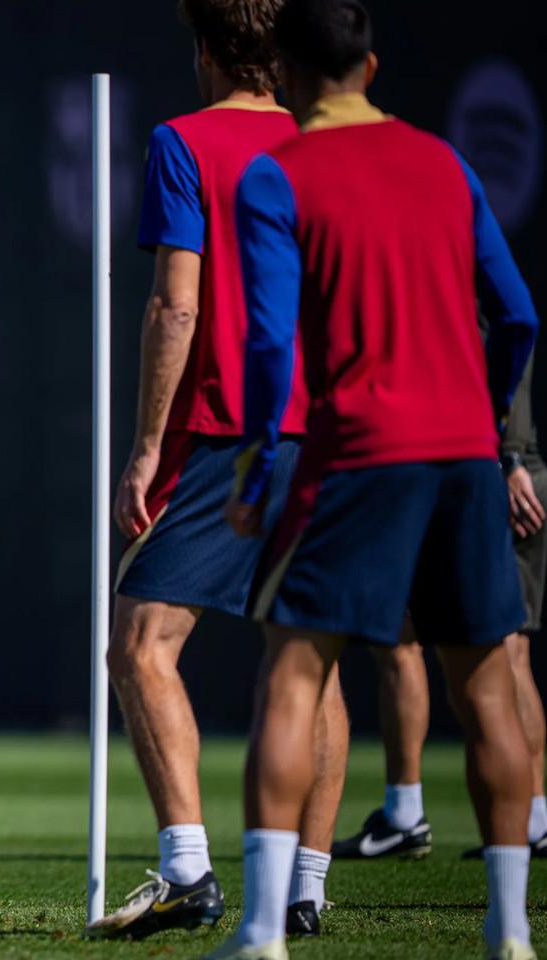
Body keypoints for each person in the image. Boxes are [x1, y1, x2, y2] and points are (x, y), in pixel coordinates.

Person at [211, 0, 540, 957]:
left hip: (357, 453)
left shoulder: (280, 174)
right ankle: (512, 931)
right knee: (488, 686)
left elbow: (270, 340)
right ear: (372, 65)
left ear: (283, 68)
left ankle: (265, 930)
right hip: (466, 457)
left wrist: (258, 453)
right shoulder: (444, 162)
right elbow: (515, 313)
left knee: (293, 677)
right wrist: (488, 412)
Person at [88, 0, 347, 940]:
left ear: (203, 51)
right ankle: (307, 887)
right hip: (335, 437)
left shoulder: (182, 141)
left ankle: (188, 870)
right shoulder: (328, 142)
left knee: (142, 644)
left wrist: (148, 447)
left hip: (232, 428)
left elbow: (175, 305)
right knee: (311, 658)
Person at [332, 352, 547, 863]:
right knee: (491, 654)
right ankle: (528, 822)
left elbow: (511, 330)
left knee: (436, 647)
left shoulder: (463, 271)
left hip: (480, 468)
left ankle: (416, 815)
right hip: (486, 466)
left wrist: (509, 457)